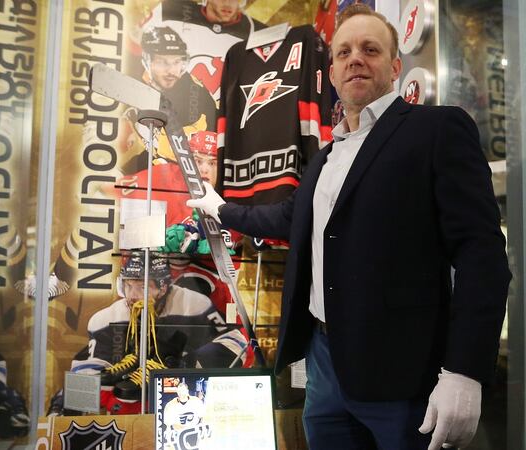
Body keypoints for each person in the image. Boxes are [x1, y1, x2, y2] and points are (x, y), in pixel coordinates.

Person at [188, 4, 510, 449]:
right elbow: (287, 218)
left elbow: (482, 255)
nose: (354, 58)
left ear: (395, 67)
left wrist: (466, 370)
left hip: (403, 375)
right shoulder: (325, 157)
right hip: (323, 366)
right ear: (333, 73)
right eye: (343, 52)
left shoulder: (436, 129)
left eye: (370, 49)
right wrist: (222, 209)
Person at [69, 254, 246, 410]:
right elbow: (82, 382)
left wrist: (186, 365)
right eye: (128, 286)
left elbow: (236, 343)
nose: (132, 295)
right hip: (129, 404)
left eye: (143, 287)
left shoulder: (194, 305)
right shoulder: (105, 319)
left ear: (163, 287)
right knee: (76, 395)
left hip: (183, 398)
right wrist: (113, 391)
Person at [124, 26, 217, 173]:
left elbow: (173, 155)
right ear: (147, 61)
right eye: (162, 62)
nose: (171, 71)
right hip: (153, 158)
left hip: (187, 171)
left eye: (176, 62)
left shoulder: (192, 96)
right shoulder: (134, 78)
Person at [163, 379, 207, 448]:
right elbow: (168, 426)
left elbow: (203, 419)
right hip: (178, 434)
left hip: (193, 432)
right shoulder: (170, 405)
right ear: (177, 392)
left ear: (187, 391)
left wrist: (202, 435)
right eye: (179, 391)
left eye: (183, 391)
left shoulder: (196, 401)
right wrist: (169, 442)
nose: (181, 393)